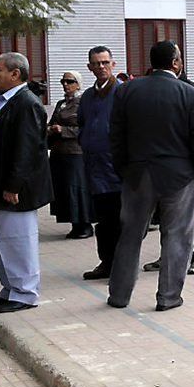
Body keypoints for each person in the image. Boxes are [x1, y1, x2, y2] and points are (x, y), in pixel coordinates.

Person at [106, 41, 194, 312]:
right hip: (180, 176)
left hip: (137, 174)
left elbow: (115, 136)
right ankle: (168, 297)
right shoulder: (191, 94)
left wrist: (124, 170)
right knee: (177, 237)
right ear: (176, 63)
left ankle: (119, 295)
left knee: (129, 235)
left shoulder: (127, 91)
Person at [0, 53, 53, 314]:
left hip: (15, 189)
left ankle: (25, 293)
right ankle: (10, 288)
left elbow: (26, 149)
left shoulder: (26, 103)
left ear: (15, 74)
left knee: (17, 240)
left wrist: (13, 185)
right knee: (1, 241)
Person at [77, 46, 124, 280]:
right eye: (96, 63)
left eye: (105, 62)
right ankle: (106, 262)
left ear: (113, 64)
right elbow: (82, 125)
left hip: (117, 169)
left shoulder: (122, 92)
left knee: (119, 220)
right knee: (103, 222)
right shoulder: (87, 96)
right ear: (89, 67)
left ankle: (121, 263)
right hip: (95, 168)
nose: (101, 67)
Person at [47, 70, 93, 239]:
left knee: (77, 189)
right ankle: (74, 222)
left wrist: (64, 130)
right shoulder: (61, 104)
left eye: (70, 81)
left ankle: (84, 224)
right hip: (59, 153)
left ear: (78, 84)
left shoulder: (83, 103)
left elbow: (86, 128)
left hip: (75, 152)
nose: (65, 85)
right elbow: (53, 122)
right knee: (64, 190)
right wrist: (50, 129)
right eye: (63, 81)